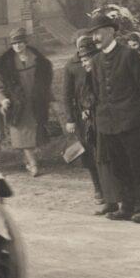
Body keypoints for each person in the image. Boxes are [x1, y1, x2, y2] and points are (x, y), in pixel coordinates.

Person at [88, 13, 140, 224]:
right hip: (108, 123)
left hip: (130, 121)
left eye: (98, 33)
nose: (95, 38)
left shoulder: (129, 55)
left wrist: (139, 114)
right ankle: (127, 206)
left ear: (111, 31)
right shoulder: (96, 60)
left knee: (138, 165)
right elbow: (96, 91)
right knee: (119, 167)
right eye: (93, 34)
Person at [0, 27, 53, 177]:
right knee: (22, 136)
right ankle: (33, 164)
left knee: (34, 134)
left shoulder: (38, 60)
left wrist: (49, 97)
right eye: (14, 44)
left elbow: (45, 82)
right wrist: (4, 100)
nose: (18, 46)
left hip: (36, 103)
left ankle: (28, 160)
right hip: (18, 105)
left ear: (26, 43)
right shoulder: (7, 65)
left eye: (20, 43)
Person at [62, 35, 106, 205]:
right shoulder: (71, 65)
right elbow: (66, 95)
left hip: (99, 112)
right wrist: (70, 119)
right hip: (82, 117)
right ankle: (98, 188)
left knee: (103, 150)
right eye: (80, 45)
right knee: (89, 154)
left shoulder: (98, 59)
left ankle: (111, 187)